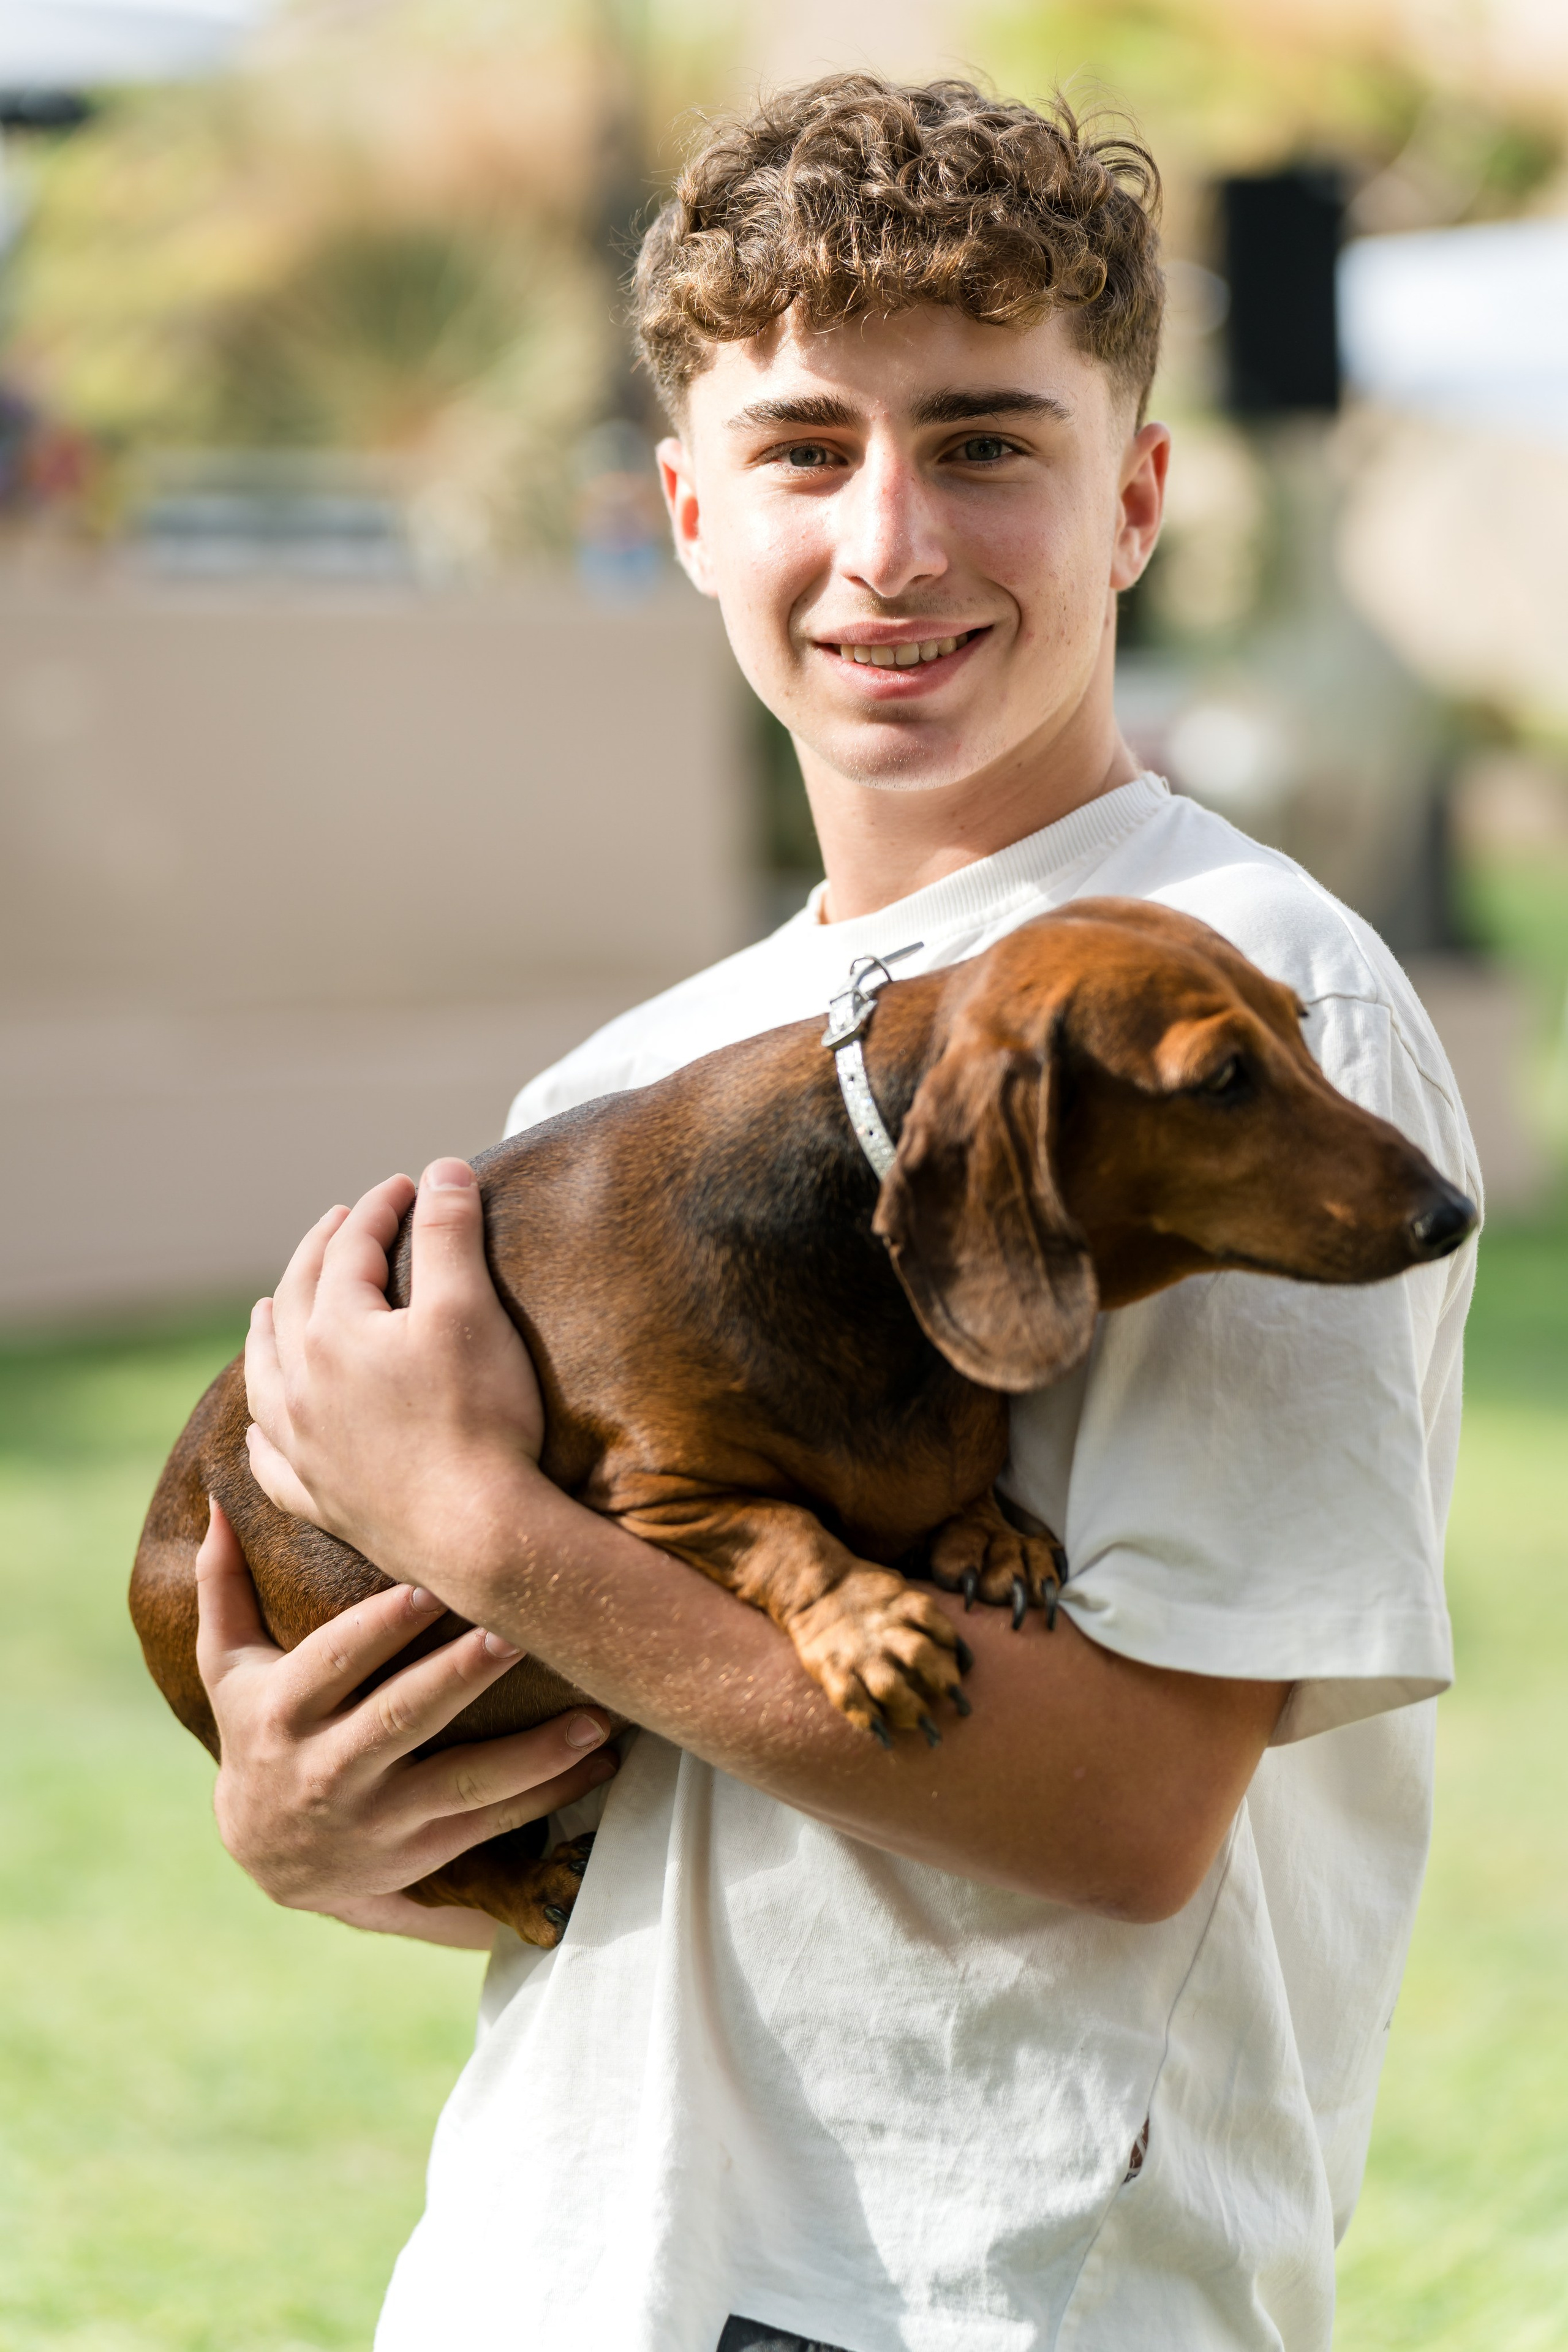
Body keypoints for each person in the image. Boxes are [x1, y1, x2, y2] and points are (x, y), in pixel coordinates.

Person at [193, 76, 1479, 2352]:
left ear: (1138, 500)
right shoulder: (624, 1093)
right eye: (803, 452)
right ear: (686, 510)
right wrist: (316, 1838)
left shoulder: (1250, 1018)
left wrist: (485, 1527)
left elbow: (1126, 1820)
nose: (889, 545)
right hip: (549, 2256)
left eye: (986, 443)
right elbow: (612, 1837)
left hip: (968, 2288)